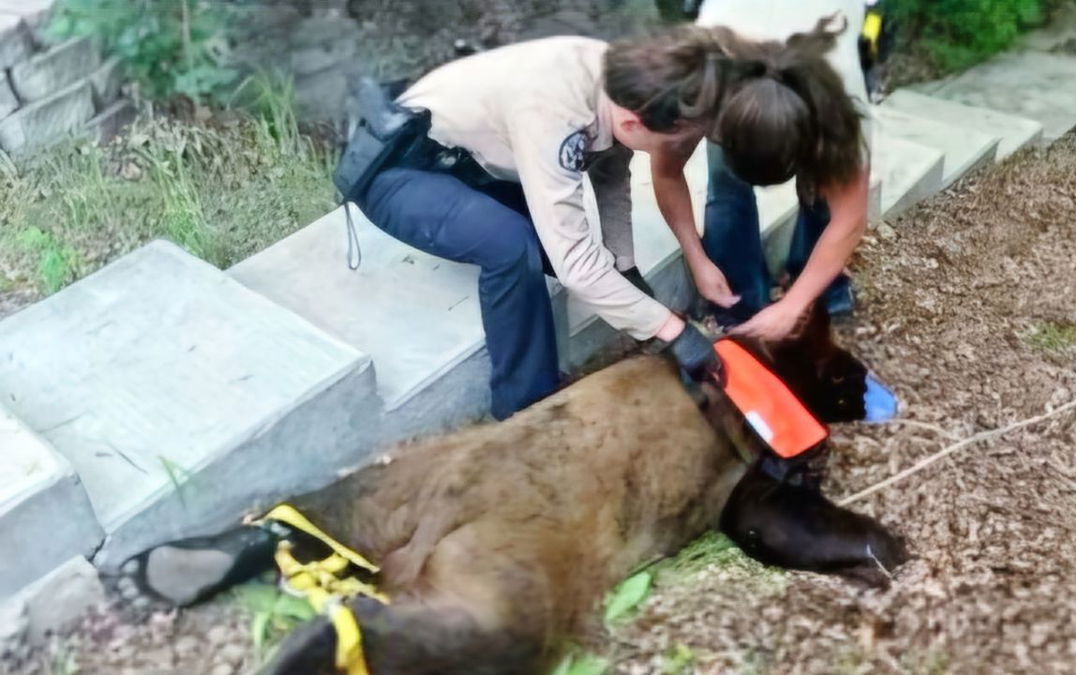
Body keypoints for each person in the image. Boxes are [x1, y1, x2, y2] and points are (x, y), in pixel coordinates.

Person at [360, 29, 861, 419]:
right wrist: (673, 331)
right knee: (511, 245)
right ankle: (525, 404)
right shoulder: (552, 109)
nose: (680, 148)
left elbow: (610, 176)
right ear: (634, 124)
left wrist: (623, 265)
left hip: (476, 167)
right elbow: (577, 266)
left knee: (570, 251)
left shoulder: (629, 81)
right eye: (676, 138)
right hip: (405, 171)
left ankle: (554, 358)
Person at [695, 0, 874, 338]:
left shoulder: (843, 101)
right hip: (733, 43)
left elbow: (850, 217)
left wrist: (793, 305)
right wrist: (696, 259)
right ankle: (740, 303)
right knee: (726, 186)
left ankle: (819, 285)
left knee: (829, 185)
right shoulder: (704, 73)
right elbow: (666, 171)